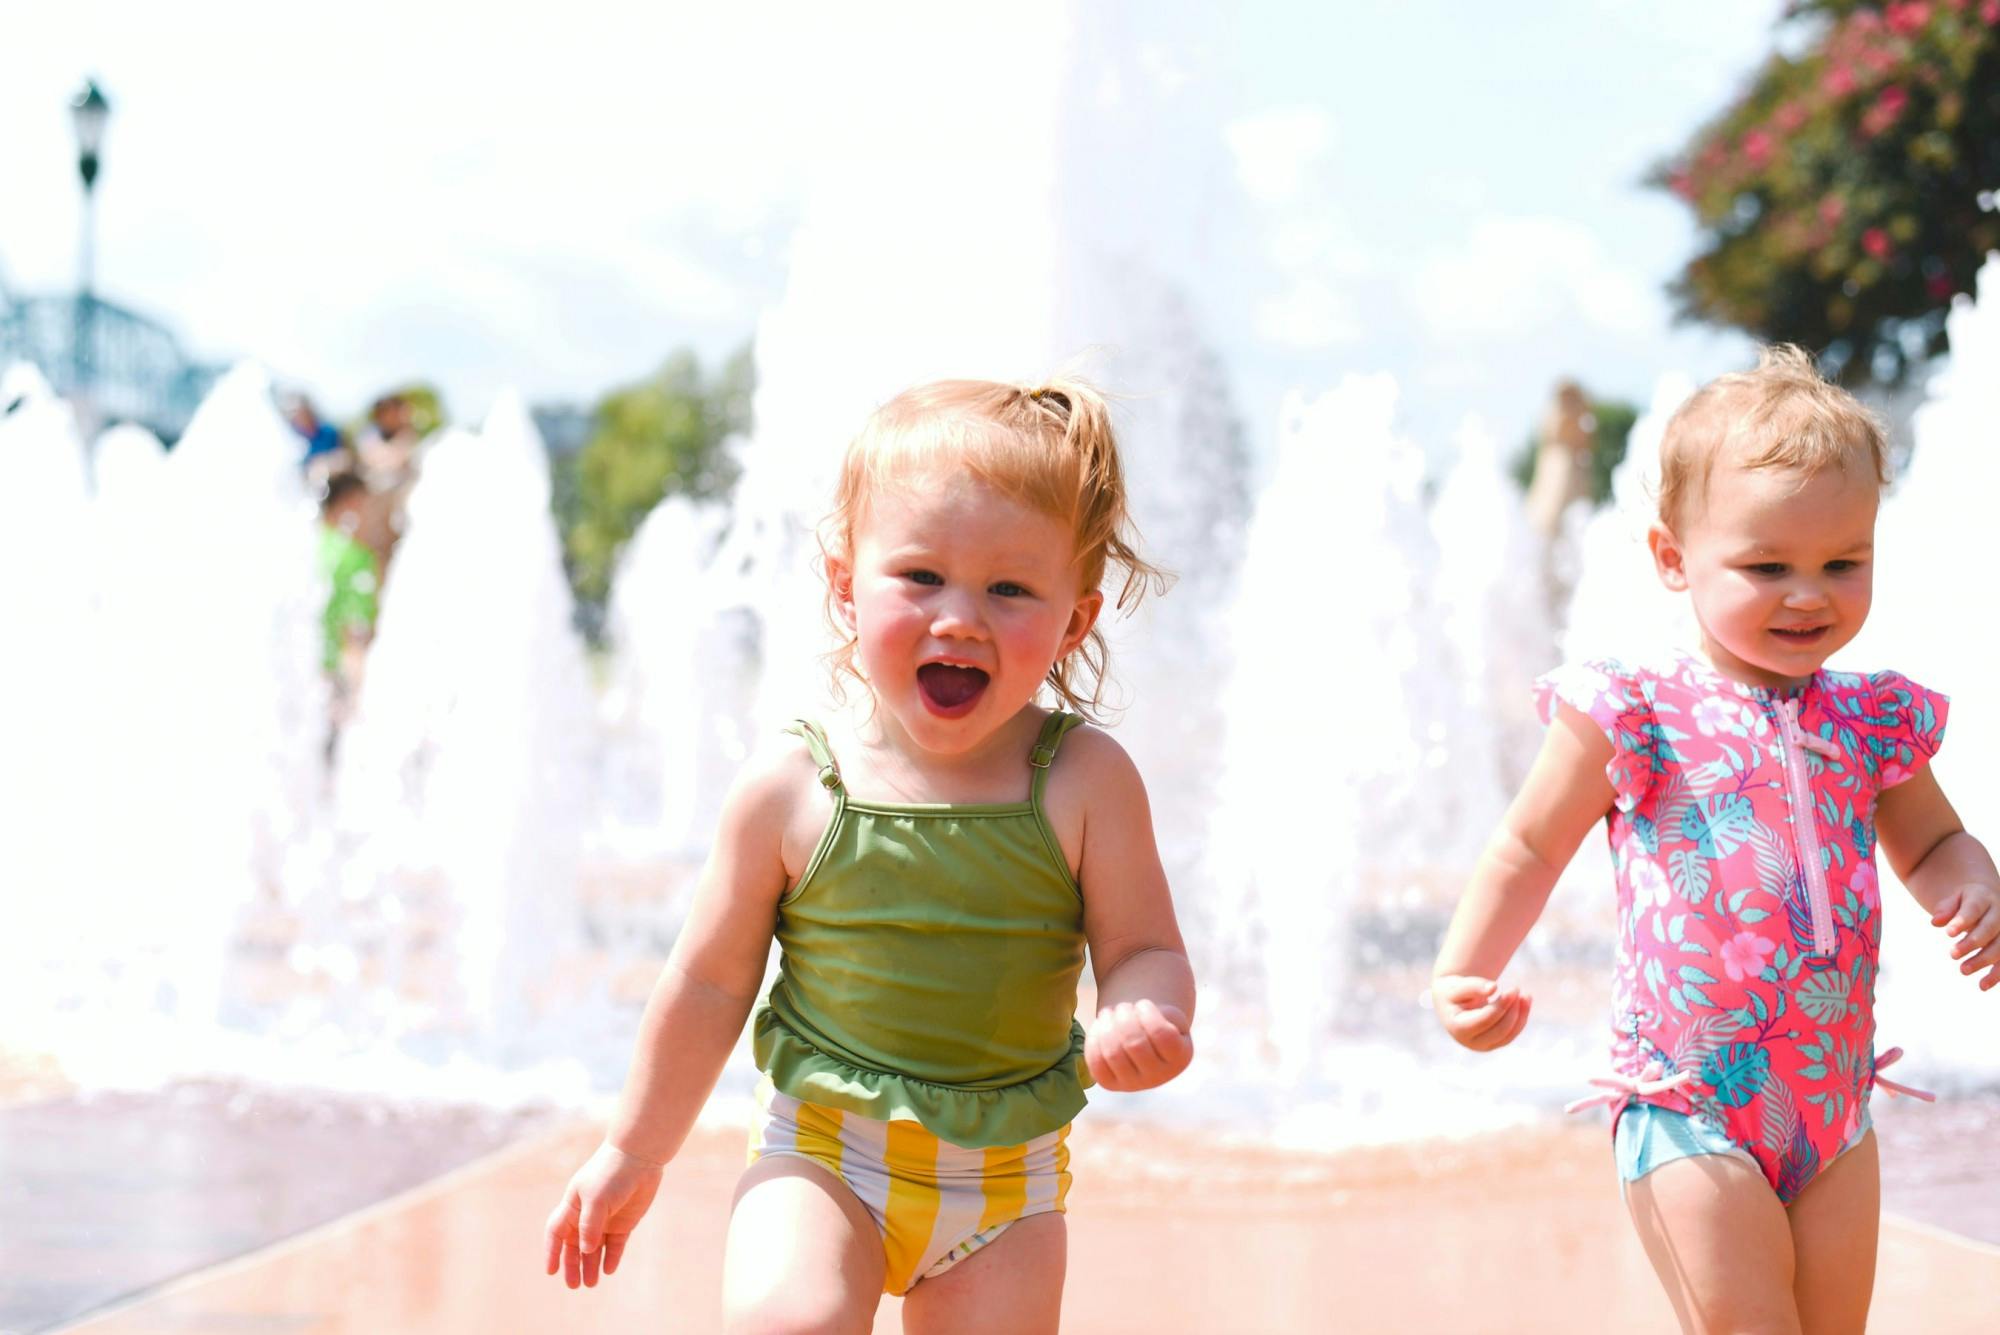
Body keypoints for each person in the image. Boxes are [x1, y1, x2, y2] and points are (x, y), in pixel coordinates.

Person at [543, 377, 1196, 1332]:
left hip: (1006, 1189)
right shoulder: (793, 787)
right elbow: (710, 982)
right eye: (921, 576)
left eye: (1011, 589)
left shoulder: (1084, 781)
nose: (961, 617)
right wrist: (635, 1150)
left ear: (1075, 621)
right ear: (846, 584)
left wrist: (1146, 1005)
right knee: (791, 1322)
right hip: (821, 1154)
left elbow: (1146, 945)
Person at [1431, 345, 1998, 1333]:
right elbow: (1525, 846)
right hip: (1684, 1103)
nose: (1806, 593)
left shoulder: (1869, 720)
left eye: (1840, 562)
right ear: (1669, 558)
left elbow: (1932, 841)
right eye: (1764, 565)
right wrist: (1460, 971)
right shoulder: (1634, 709)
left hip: (1832, 1109)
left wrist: (1973, 887)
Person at [318, 471, 380, 733]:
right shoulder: (355, 557)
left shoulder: (301, 544)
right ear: (350, 504)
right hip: (333, 679)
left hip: (305, 672)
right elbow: (355, 634)